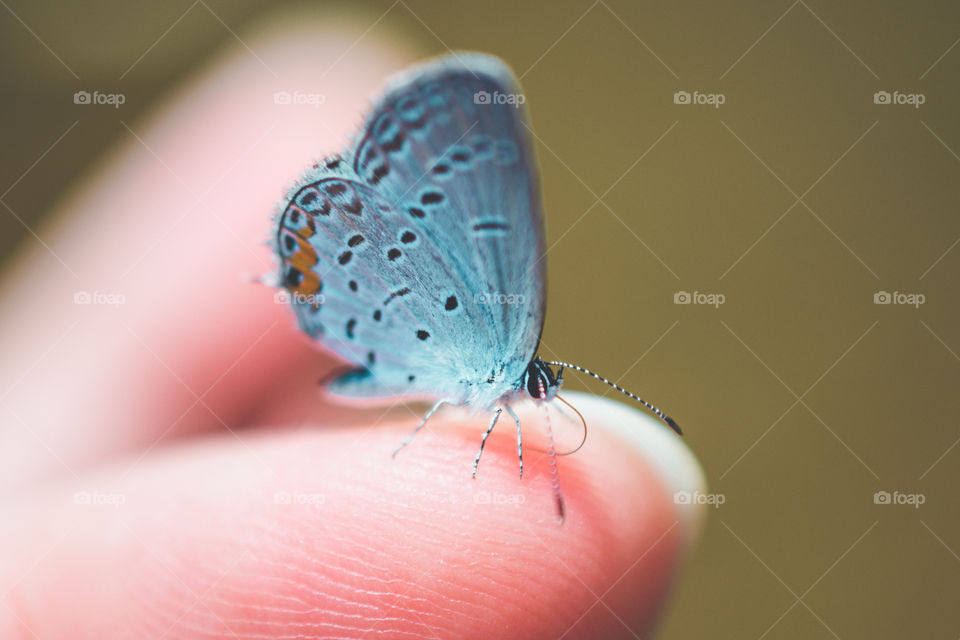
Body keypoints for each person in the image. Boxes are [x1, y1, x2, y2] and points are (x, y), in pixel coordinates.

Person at [0, 10, 705, 638]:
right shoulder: (502, 358)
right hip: (364, 275)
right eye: (541, 388)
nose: (542, 395)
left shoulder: (504, 372)